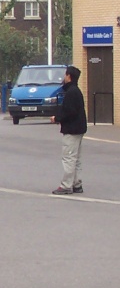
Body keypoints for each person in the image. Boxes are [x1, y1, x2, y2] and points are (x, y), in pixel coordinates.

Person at [52, 65, 87, 195]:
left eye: (65, 74)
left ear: (69, 76)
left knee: (69, 158)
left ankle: (66, 185)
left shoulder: (71, 93)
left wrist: (57, 118)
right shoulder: (76, 91)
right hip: (79, 128)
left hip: (72, 129)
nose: (64, 77)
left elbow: (69, 112)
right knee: (76, 158)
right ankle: (77, 183)